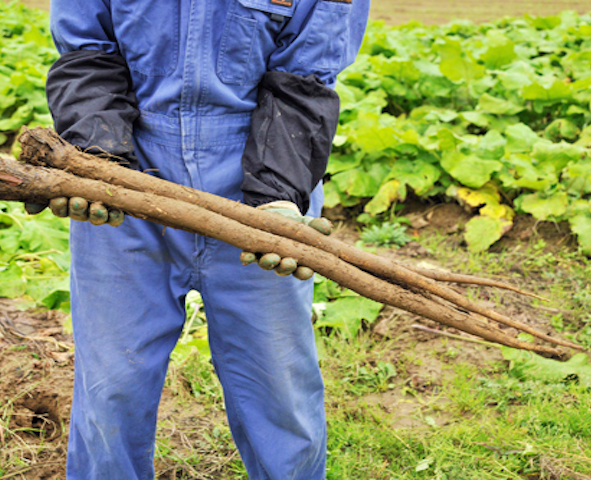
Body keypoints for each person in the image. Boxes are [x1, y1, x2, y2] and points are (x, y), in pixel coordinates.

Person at [28, 1, 369, 478]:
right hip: (128, 176)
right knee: (112, 386)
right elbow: (89, 52)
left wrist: (278, 192)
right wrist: (95, 156)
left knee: (278, 389)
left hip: (259, 191)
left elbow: (305, 77)